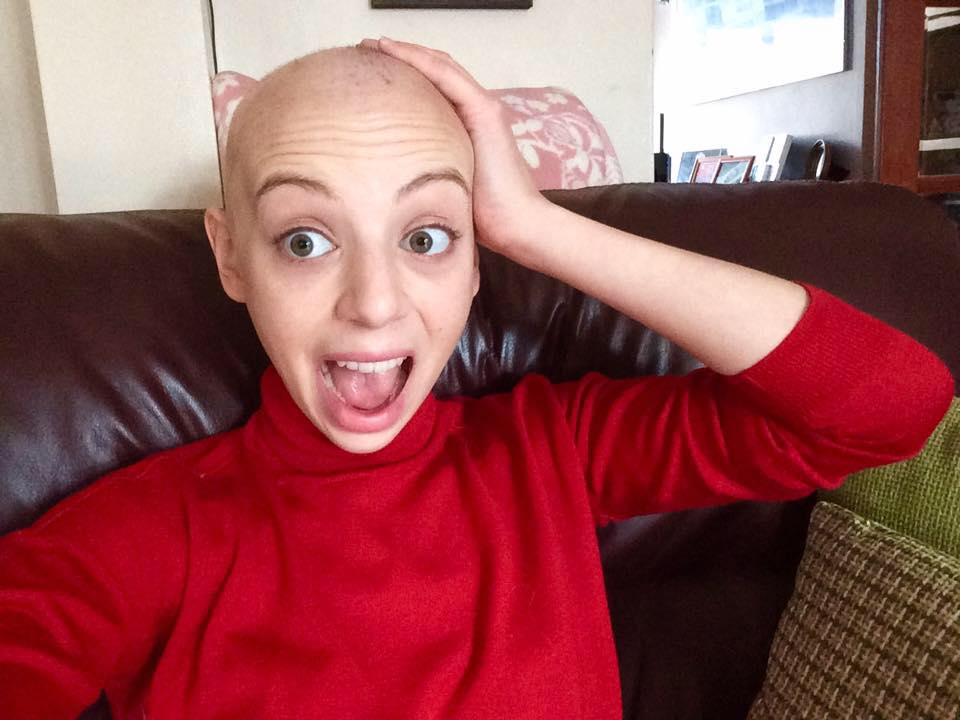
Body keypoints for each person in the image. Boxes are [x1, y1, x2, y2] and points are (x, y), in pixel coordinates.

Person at [0, 39, 952, 719]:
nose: (375, 304)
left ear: (475, 259)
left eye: (426, 237)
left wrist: (538, 227)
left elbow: (887, 409)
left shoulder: (554, 453)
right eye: (305, 240)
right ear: (230, 257)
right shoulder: (141, 535)